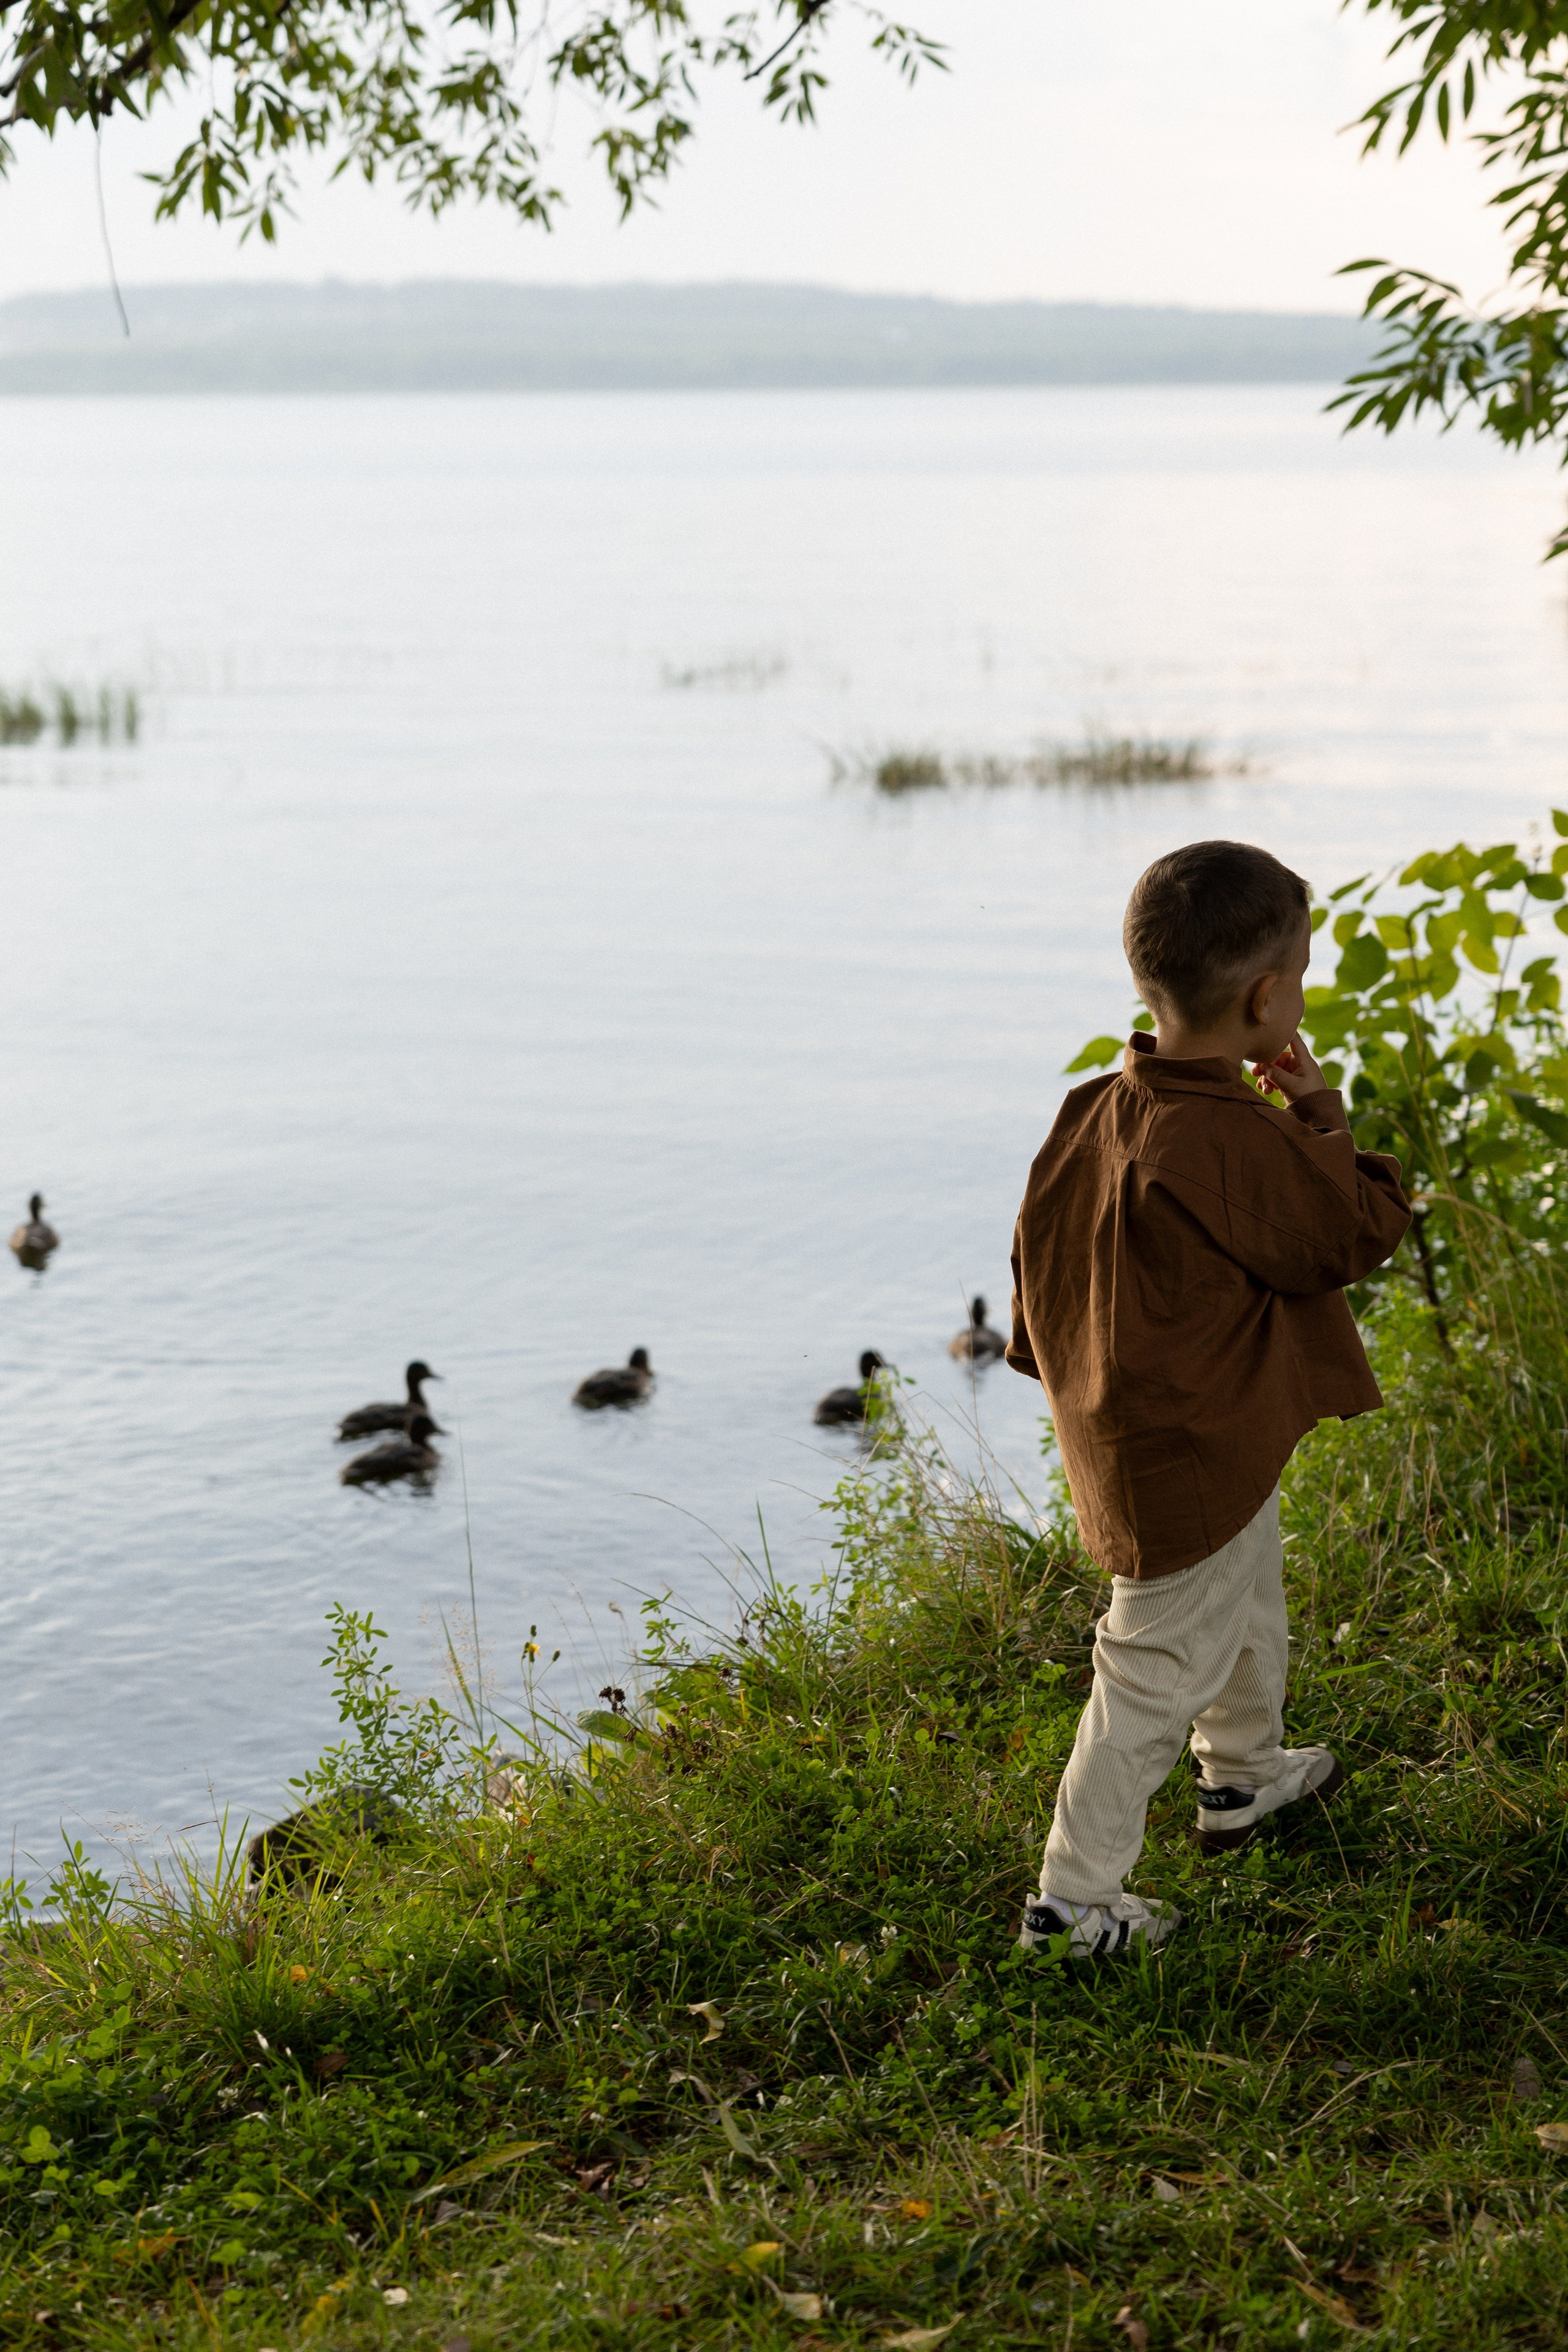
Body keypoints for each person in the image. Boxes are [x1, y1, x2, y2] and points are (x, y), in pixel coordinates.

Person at [1006, 840, 1410, 1961]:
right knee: (1152, 1660)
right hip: (1187, 1440)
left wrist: (1072, 1381)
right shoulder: (1231, 1138)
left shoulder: (1096, 1109)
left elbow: (1032, 1260)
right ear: (1269, 998)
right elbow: (1355, 1230)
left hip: (1148, 1422)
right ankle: (1073, 1899)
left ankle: (1241, 1775)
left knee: (1247, 1589)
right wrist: (1323, 1114)